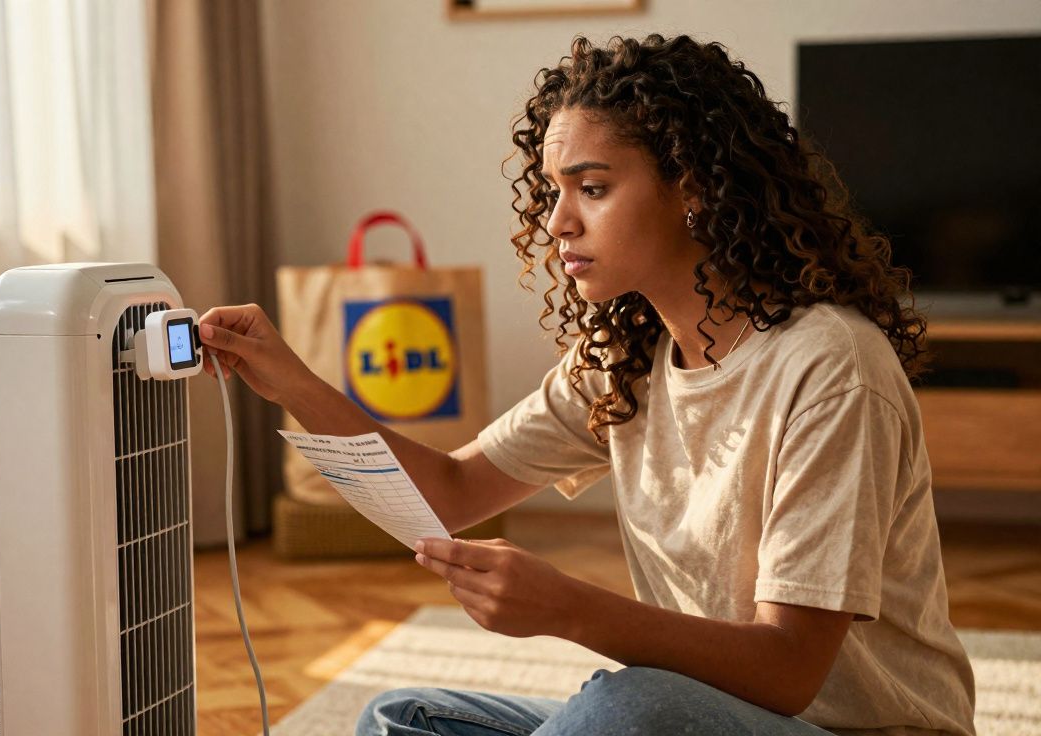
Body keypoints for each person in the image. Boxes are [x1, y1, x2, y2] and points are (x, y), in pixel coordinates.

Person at [197, 33, 976, 736]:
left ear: (694, 188)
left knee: (624, 707)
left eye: (593, 188)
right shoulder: (623, 360)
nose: (558, 222)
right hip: (707, 715)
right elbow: (447, 493)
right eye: (553, 191)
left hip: (852, 730)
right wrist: (290, 380)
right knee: (404, 719)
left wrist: (567, 608)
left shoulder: (830, 366)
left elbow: (789, 669)